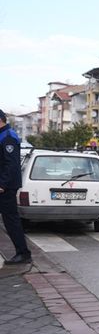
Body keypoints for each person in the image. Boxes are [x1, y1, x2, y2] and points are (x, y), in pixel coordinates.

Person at [0, 110, 31, 265]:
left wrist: (2, 185)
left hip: (6, 187)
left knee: (11, 220)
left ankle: (23, 253)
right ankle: (23, 252)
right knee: (9, 220)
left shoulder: (8, 137)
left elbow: (11, 165)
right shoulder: (3, 135)